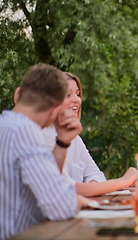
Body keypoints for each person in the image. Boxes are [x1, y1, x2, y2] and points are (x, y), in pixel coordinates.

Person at [0, 64, 91, 240]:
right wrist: (80, 201)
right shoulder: (25, 132)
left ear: (17, 94)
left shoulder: (5, 126)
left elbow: (47, 183)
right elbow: (60, 207)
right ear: (56, 109)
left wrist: (62, 143)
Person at [42, 72, 138, 197]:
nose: (77, 100)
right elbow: (67, 188)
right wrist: (124, 181)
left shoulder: (75, 139)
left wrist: (91, 188)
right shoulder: (44, 137)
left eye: (77, 94)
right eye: (68, 95)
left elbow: (96, 175)